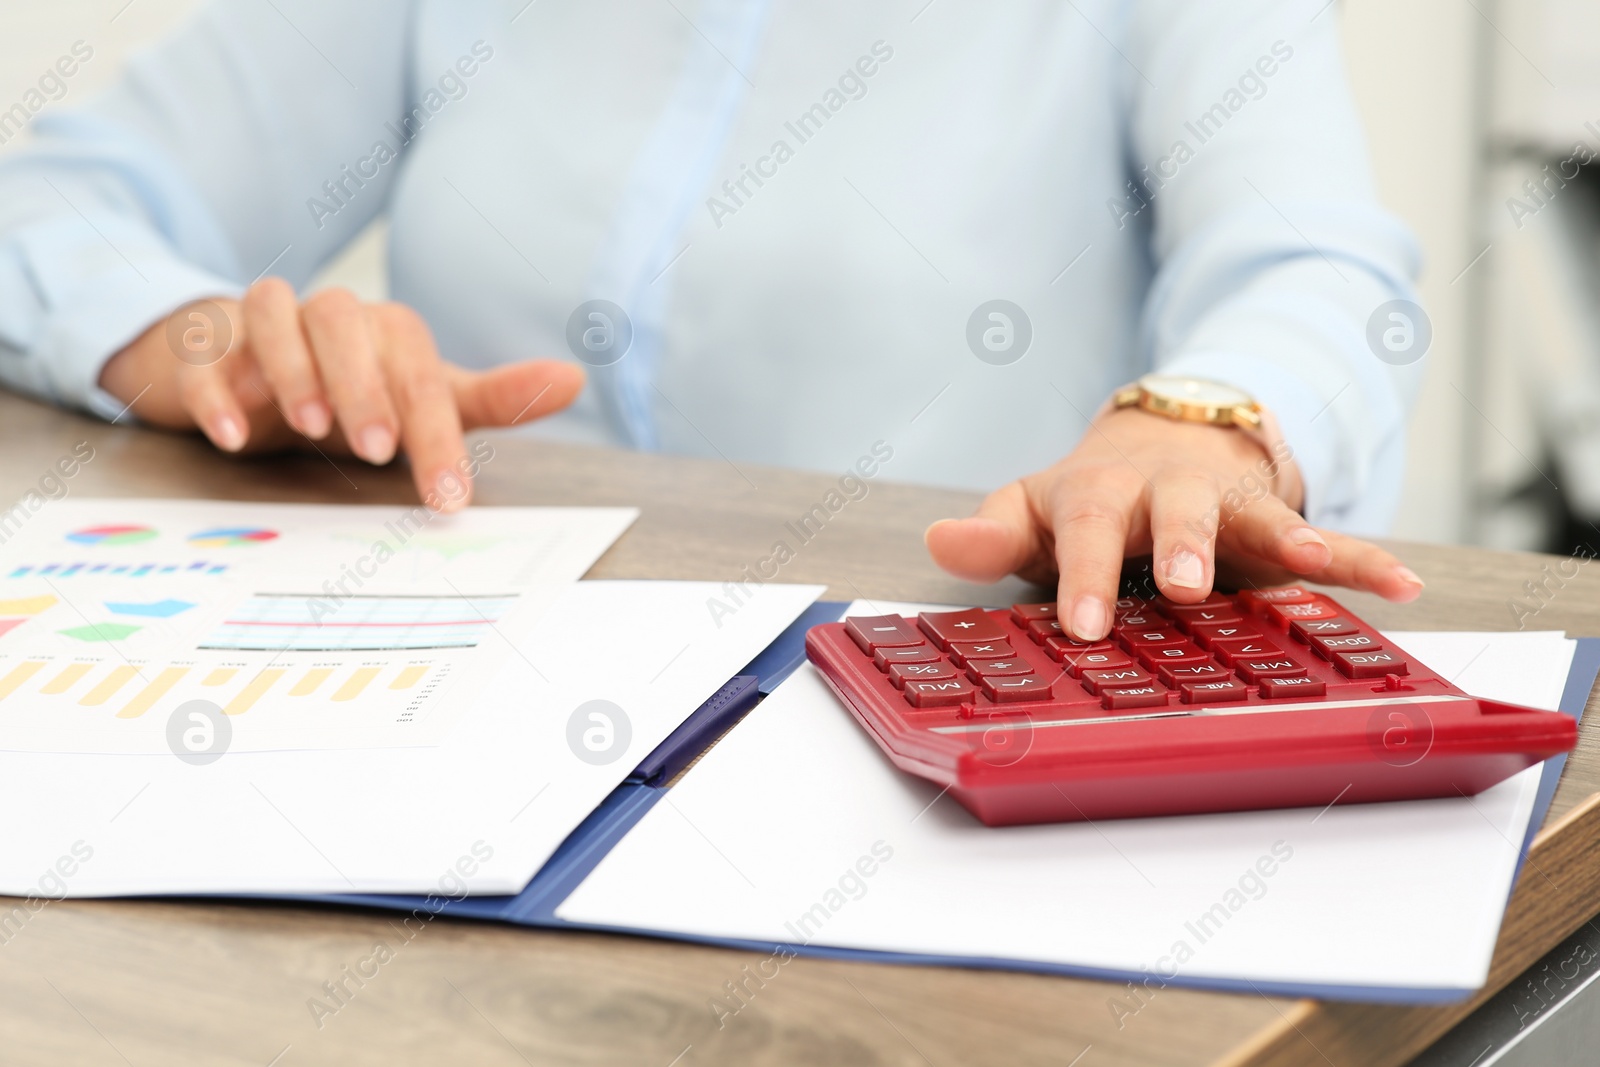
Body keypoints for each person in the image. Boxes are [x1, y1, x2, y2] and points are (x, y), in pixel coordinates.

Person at [0, 0, 1426, 642]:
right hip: (450, 708)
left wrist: (1200, 420)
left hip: (929, 729)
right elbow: (46, 206)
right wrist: (197, 342)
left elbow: (1321, 274)